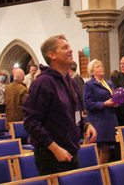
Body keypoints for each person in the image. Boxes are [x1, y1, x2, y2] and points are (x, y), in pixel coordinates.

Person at [23, 35, 97, 175]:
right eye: (64, 48)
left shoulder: (71, 81)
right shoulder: (43, 83)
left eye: (69, 47)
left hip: (72, 150)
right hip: (51, 154)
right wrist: (55, 148)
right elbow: (31, 122)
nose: (70, 50)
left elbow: (72, 113)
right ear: (51, 55)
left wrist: (86, 125)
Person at [83, 59, 119, 164]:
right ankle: (99, 174)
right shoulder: (89, 85)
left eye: (102, 65)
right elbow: (87, 104)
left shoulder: (109, 83)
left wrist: (116, 103)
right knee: (99, 149)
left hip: (109, 119)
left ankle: (104, 174)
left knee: (106, 149)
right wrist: (104, 104)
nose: (101, 68)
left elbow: (113, 98)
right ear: (92, 71)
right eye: (98, 66)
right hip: (97, 120)